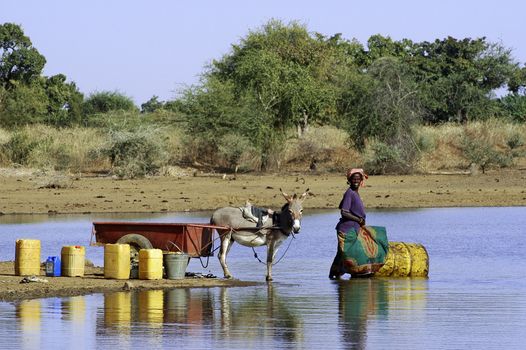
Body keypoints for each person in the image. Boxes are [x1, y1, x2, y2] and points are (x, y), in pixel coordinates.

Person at [329, 168, 368, 280]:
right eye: (354, 179)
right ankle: (350, 274)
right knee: (347, 254)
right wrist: (359, 220)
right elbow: (344, 212)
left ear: (361, 180)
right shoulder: (350, 193)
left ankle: (335, 277)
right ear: (349, 180)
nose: (356, 181)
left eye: (358, 179)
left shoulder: (354, 193)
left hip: (352, 229)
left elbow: (341, 205)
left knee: (342, 254)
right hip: (346, 230)